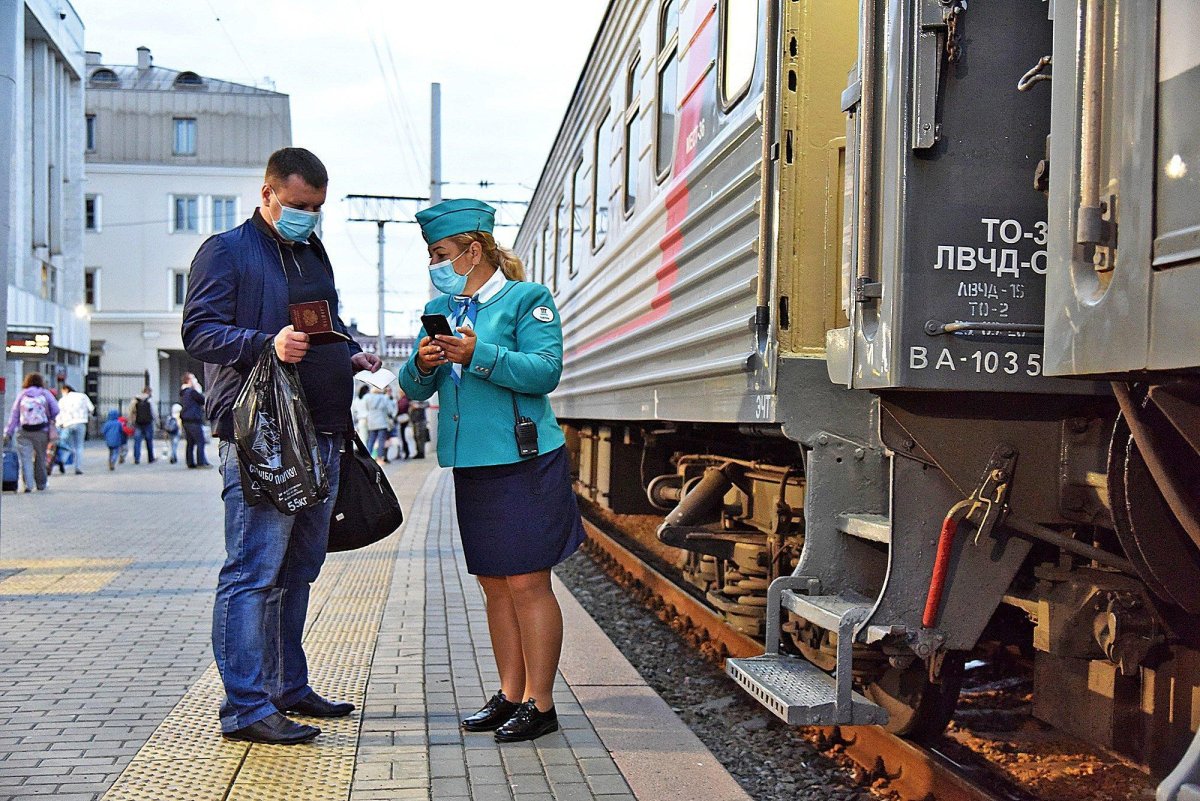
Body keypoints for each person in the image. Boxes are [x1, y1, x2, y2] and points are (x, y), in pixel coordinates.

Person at [182, 147, 381, 746]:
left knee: (299, 571)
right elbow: (199, 332)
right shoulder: (226, 251)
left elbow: (322, 326)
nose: (308, 217)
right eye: (298, 205)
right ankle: (246, 708)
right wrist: (264, 343)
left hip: (323, 431)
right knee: (253, 573)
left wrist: (350, 353)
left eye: (317, 207)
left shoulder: (312, 251)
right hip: (262, 439)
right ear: (267, 194)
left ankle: (288, 686)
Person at [399, 198, 584, 743]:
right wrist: (422, 363)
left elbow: (545, 372)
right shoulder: (441, 309)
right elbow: (413, 389)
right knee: (494, 585)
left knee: (527, 582)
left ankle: (541, 703)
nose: (434, 264)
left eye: (441, 254)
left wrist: (477, 355)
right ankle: (510, 694)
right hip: (472, 462)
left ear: (473, 250)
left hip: (523, 460)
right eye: (432, 256)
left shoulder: (527, 299)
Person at [3, 373, 61, 493]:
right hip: (42, 431)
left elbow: (15, 414)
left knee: (26, 459)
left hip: (24, 431)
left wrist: (8, 431)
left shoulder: (22, 394)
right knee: (41, 458)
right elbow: (56, 409)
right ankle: (41, 484)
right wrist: (50, 418)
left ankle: (28, 485)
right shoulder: (45, 393)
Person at [56, 384, 93, 475]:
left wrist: (58, 424)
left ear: (66, 390)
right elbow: (91, 408)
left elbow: (58, 412)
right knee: (79, 446)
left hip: (67, 424)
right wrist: (86, 415)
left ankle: (62, 460)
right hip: (81, 422)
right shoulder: (83, 396)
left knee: (67, 445)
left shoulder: (63, 399)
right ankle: (78, 467)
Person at [180, 373, 210, 468]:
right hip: (194, 419)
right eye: (193, 378)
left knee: (190, 442)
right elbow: (202, 400)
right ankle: (201, 462)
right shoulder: (192, 392)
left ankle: (190, 462)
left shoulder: (184, 392)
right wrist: (199, 390)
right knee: (200, 441)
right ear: (189, 380)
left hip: (186, 419)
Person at [363, 386, 395, 464]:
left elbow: (366, 408)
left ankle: (368, 457)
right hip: (382, 422)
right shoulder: (384, 398)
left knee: (371, 440)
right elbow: (390, 410)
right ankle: (379, 458)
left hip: (371, 422)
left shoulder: (367, 397)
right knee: (381, 441)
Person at [127, 387, 157, 464]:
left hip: (138, 423)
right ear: (149, 392)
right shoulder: (149, 400)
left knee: (137, 441)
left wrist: (130, 421)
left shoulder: (135, 400)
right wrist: (157, 421)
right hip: (148, 423)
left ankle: (137, 458)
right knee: (149, 441)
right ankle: (150, 458)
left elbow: (130, 411)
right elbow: (154, 412)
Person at [393, 390, 411, 460]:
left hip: (403, 419)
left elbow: (401, 408)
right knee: (403, 437)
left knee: (403, 437)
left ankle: (406, 452)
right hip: (404, 419)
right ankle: (405, 452)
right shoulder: (405, 399)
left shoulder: (403, 400)